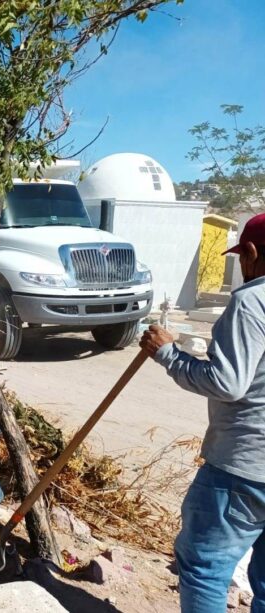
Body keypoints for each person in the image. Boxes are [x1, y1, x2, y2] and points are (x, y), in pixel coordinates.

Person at [141, 213, 265, 613]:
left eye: (242, 258)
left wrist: (168, 354)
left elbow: (228, 383)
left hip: (244, 468)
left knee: (204, 568)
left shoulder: (251, 302)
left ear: (251, 253)